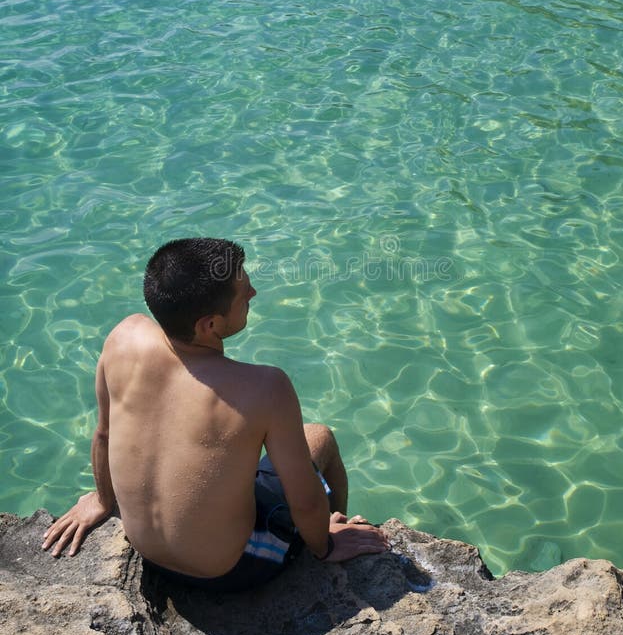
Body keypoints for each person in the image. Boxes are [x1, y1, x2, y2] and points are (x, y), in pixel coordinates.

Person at [42, 237, 388, 592]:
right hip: (229, 569)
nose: (253, 292)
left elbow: (104, 434)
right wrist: (324, 543)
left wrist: (102, 500)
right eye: (243, 292)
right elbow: (303, 499)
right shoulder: (266, 387)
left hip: (145, 549)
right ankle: (333, 528)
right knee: (321, 438)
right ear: (209, 325)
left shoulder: (123, 337)